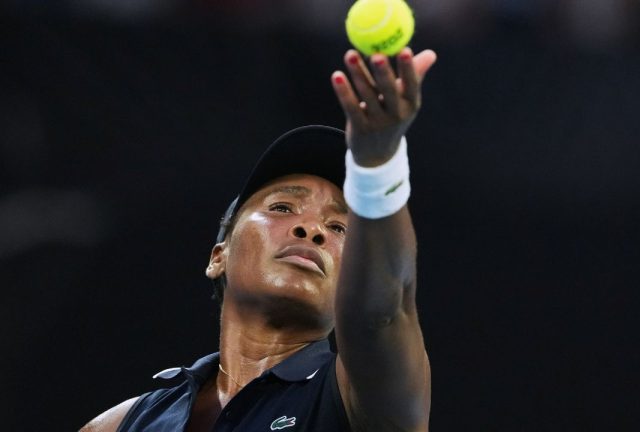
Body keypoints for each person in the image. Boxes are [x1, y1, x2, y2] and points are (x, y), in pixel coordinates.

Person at [81, 46, 437, 432]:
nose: (312, 228)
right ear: (219, 255)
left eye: (338, 228)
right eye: (283, 208)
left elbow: (381, 312)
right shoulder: (117, 425)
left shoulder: (361, 396)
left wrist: (378, 164)